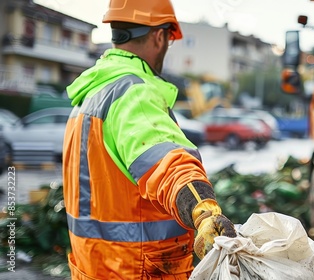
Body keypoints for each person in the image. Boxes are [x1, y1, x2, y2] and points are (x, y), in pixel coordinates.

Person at [62, 0, 236, 279]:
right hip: (137, 268)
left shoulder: (90, 97)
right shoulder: (133, 93)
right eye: (169, 39)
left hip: (94, 267)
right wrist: (204, 213)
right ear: (159, 36)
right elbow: (168, 163)